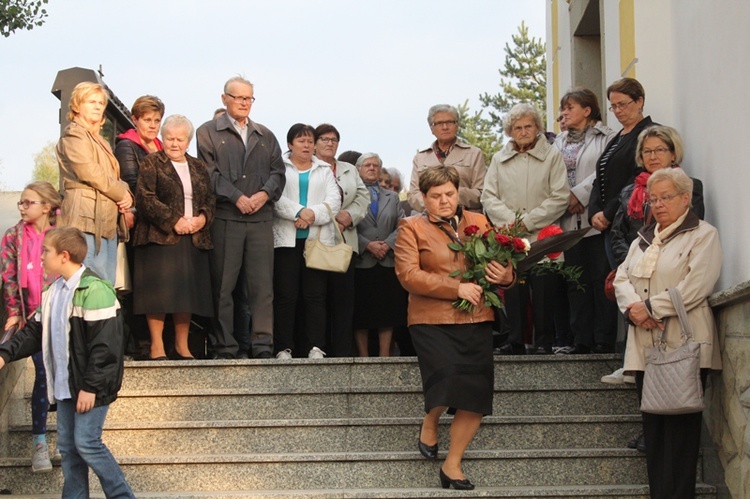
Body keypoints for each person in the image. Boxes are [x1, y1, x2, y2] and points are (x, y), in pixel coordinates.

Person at [395, 165, 514, 490]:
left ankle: (452, 464)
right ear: (423, 198)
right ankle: (431, 419)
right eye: (435, 196)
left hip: (477, 317)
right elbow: (408, 276)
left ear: (457, 192)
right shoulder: (411, 226)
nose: (444, 201)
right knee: (446, 380)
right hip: (430, 320)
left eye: (449, 193)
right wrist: (456, 288)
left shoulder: (479, 222)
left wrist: (507, 276)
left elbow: (502, 262)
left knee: (475, 395)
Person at [0, 227, 135, 498]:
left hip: (88, 388)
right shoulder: (53, 292)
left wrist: (91, 387)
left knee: (87, 444)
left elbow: (106, 348)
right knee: (69, 449)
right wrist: (4, 354)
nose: (41, 257)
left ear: (64, 255)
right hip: (64, 386)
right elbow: (33, 332)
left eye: (46, 251)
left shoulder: (95, 290)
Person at [613, 168, 722, 499]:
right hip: (646, 345)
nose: (658, 204)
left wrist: (649, 307)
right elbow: (621, 279)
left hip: (683, 345)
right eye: (653, 198)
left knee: (681, 436)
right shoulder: (643, 239)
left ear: (686, 199)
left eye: (666, 197)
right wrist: (634, 308)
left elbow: (696, 285)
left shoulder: (703, 235)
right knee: (655, 435)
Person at [196, 76, 285, 359]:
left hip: (260, 220)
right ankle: (225, 347)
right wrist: (236, 197)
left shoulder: (265, 135)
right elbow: (208, 173)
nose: (244, 103)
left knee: (262, 288)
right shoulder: (207, 132)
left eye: (249, 98)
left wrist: (262, 195)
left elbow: (278, 174)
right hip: (226, 217)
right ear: (224, 99)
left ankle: (262, 346)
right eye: (238, 97)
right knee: (223, 287)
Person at [482, 103, 569, 355]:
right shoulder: (499, 159)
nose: (523, 131)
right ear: (510, 131)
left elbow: (560, 196)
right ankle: (516, 340)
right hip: (509, 236)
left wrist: (527, 222)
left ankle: (544, 342)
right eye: (517, 127)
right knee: (514, 288)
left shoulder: (552, 155)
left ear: (537, 127)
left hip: (543, 234)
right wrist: (510, 221)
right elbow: (489, 197)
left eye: (528, 126)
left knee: (544, 290)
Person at [133, 115, 215, 360]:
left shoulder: (199, 166)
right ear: (163, 138)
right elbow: (145, 198)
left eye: (180, 139)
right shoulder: (151, 162)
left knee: (186, 294)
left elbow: (210, 198)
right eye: (170, 138)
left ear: (188, 141)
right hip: (159, 238)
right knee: (158, 294)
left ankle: (182, 345)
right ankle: (157, 346)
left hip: (194, 237)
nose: (175, 143)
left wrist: (202, 219)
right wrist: (174, 220)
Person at [1, 181, 62, 472]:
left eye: (29, 202)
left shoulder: (62, 232)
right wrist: (14, 312)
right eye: (21, 203)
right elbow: (9, 276)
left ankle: (64, 438)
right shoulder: (13, 236)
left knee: (62, 376)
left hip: (60, 317)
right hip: (31, 318)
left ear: (47, 207)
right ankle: (39, 442)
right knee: (41, 374)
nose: (23, 207)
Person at [552, 88, 617, 354]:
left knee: (599, 278)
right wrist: (565, 198)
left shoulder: (607, 137)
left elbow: (605, 170)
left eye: (570, 107)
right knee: (575, 281)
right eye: (563, 108)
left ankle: (604, 339)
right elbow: (552, 175)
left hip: (596, 219)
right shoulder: (557, 141)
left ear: (587, 110)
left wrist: (579, 195)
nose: (564, 113)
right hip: (566, 221)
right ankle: (581, 338)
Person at [272, 124, 341, 359]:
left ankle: (316, 346)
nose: (307, 145)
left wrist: (310, 215)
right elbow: (275, 197)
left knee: (315, 296)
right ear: (290, 144)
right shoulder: (279, 167)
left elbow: (334, 200)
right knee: (285, 295)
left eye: (310, 141)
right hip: (285, 241)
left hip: (316, 240)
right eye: (301, 141)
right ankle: (283, 347)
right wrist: (300, 212)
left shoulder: (323, 169)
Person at [56, 82, 134, 284]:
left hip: (106, 221)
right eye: (91, 101)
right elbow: (89, 172)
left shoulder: (102, 141)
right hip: (85, 218)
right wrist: (122, 193)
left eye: (101, 102)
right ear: (77, 105)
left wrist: (127, 195)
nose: (98, 106)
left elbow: (113, 177)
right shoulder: (74, 134)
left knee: (104, 286)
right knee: (87, 283)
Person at [114, 95, 165, 359]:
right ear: (135, 120)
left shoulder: (160, 145)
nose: (153, 125)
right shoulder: (126, 146)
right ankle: (140, 342)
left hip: (159, 225)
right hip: (140, 226)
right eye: (147, 120)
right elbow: (133, 183)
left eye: (157, 120)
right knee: (139, 285)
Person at [313, 124, 369, 357]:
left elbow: (362, 196)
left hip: (345, 241)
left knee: (344, 300)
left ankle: (343, 352)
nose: (329, 143)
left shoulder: (348, 169)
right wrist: (327, 212)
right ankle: (317, 347)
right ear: (314, 143)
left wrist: (350, 215)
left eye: (334, 139)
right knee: (317, 297)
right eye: (324, 139)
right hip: (317, 240)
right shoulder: (310, 167)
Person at [589, 77, 654, 268]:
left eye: (623, 105)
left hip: (631, 224)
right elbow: (600, 175)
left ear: (639, 101)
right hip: (611, 225)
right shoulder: (617, 137)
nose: (618, 111)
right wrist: (593, 212)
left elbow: (637, 177)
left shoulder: (650, 133)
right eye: (613, 106)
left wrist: (608, 213)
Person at [353, 153, 406, 357]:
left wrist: (387, 244)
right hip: (361, 260)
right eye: (367, 164)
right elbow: (345, 226)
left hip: (387, 260)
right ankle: (363, 357)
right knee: (361, 312)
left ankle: (385, 356)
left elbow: (402, 225)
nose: (372, 168)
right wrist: (367, 245)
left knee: (388, 310)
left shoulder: (392, 197)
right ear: (358, 169)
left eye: (376, 165)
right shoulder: (350, 196)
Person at [408, 104, 486, 214]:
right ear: (431, 128)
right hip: (428, 221)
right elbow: (413, 194)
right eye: (439, 123)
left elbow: (482, 193)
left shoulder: (474, 154)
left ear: (457, 125)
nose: (445, 127)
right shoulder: (420, 158)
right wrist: (433, 204)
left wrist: (452, 196)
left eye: (449, 122)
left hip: (466, 220)